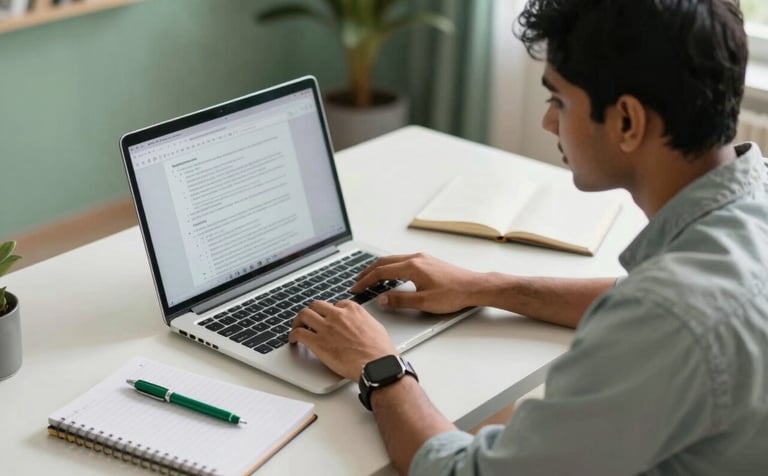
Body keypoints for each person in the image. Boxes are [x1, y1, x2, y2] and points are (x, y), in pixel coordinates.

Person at [289, 0, 768, 474]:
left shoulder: (666, 317)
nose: (548, 122)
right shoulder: (748, 207)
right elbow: (645, 302)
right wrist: (485, 286)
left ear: (627, 121)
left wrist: (380, 366)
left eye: (558, 100)